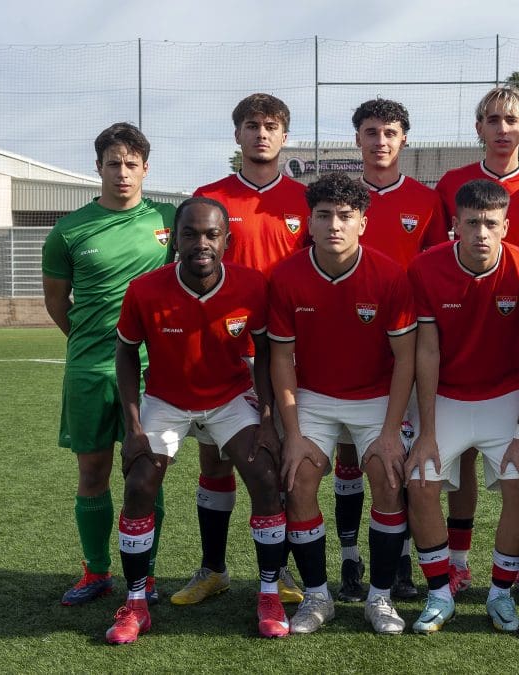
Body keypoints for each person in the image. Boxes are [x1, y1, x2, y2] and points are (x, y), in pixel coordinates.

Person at [105, 198, 288, 644]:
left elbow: (265, 353)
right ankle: (135, 604)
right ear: (175, 239)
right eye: (190, 234)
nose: (200, 243)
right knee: (139, 483)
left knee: (265, 475)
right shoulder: (145, 290)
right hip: (167, 400)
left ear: (227, 241)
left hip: (229, 397)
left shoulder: (252, 285)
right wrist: (133, 428)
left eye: (211, 234)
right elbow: (125, 352)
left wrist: (267, 418)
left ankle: (269, 595)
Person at [172, 93, 308, 607]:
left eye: (271, 126)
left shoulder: (304, 199)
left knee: (280, 459)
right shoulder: (209, 196)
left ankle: (280, 570)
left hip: (286, 350)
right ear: (237, 135)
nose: (261, 134)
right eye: (252, 125)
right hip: (222, 350)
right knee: (215, 460)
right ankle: (213, 569)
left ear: (284, 136)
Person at [269, 172, 417, 635]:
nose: (335, 224)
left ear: (362, 223)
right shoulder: (286, 276)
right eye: (324, 215)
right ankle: (318, 597)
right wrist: (294, 434)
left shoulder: (389, 275)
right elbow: (281, 359)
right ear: (309, 222)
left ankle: (380, 597)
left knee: (388, 477)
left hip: (376, 396)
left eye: (345, 216)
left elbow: (406, 359)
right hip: (313, 396)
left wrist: (391, 433)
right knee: (298, 479)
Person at [432, 86, 519, 597]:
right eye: (493, 119)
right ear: (479, 128)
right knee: (460, 459)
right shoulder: (453, 183)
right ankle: (458, 560)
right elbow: (441, 251)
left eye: (512, 120)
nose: (502, 128)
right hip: (465, 326)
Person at [42, 122, 174, 606]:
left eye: (131, 164)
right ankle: (95, 571)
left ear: (145, 169)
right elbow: (57, 303)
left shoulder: (167, 219)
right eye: (114, 163)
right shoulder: (68, 230)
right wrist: (91, 344)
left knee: (146, 474)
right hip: (89, 371)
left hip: (151, 372)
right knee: (92, 472)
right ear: (98, 166)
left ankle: (147, 576)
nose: (123, 172)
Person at [405, 179, 519, 635]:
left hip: (505, 395)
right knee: (420, 482)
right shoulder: (425, 268)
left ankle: (500, 592)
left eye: (490, 223)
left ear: (506, 226)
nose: (481, 233)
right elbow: (427, 352)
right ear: (455, 225)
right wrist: (426, 431)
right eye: (471, 223)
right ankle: (439, 594)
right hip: (445, 395)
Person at [330, 98, 448, 603]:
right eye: (371, 132)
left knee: (393, 454)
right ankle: (350, 558)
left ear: (404, 139)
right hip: (345, 342)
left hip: (405, 344)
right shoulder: (338, 201)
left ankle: (398, 563)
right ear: (357, 138)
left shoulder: (426, 200)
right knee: (347, 457)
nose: (380, 141)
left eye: (390, 132)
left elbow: (438, 268)